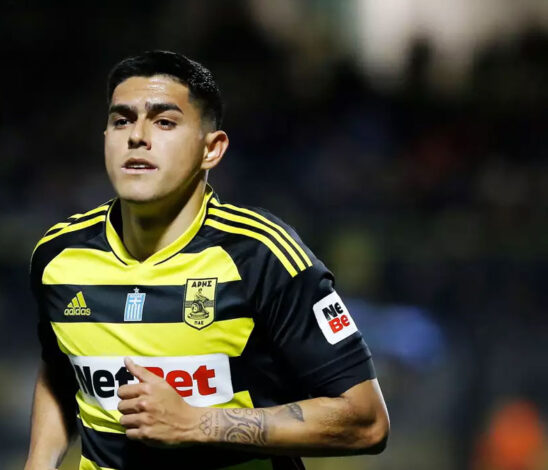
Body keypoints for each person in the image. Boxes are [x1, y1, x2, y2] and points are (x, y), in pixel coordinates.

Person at [24, 50, 389, 470]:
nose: (137, 136)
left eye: (164, 122)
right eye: (121, 120)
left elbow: (367, 422)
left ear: (211, 149)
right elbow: (60, 371)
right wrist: (39, 463)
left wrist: (196, 422)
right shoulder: (59, 256)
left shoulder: (262, 256)